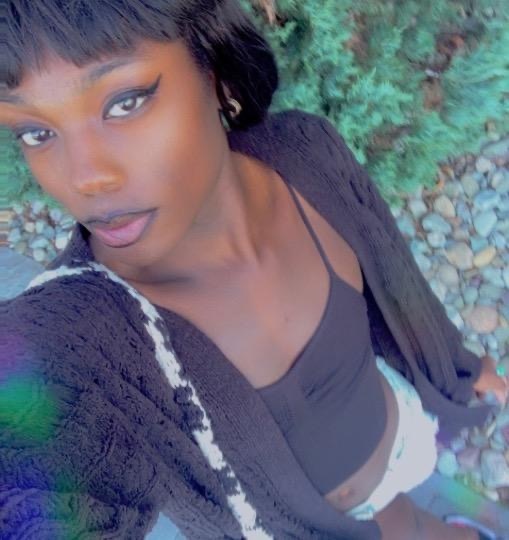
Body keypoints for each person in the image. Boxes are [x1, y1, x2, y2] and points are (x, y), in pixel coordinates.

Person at [1, 1, 507, 538]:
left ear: (216, 74)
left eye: (125, 102)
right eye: (35, 132)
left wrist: (457, 364)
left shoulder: (307, 151)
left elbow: (395, 275)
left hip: (399, 441)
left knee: (415, 525)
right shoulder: (81, 341)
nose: (85, 178)